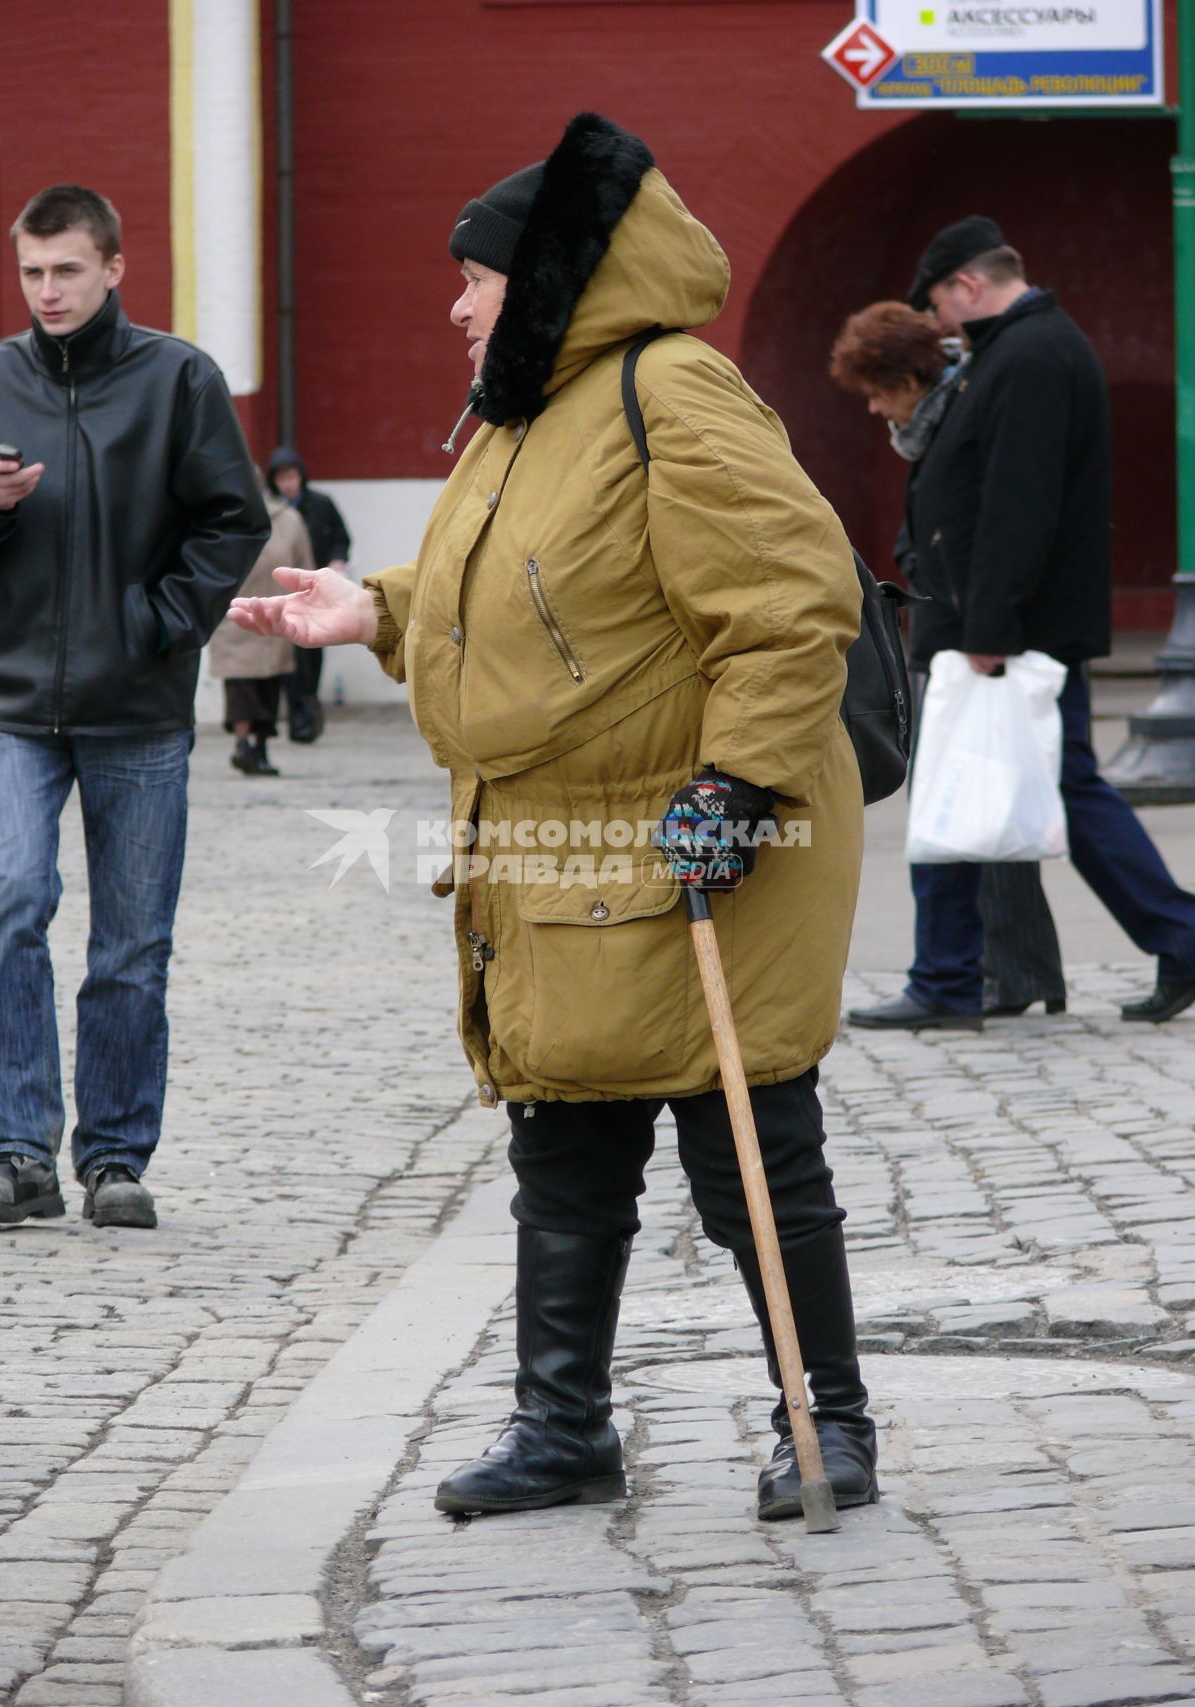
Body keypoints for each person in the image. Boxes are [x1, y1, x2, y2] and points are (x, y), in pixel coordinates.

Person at [230, 113, 878, 1523]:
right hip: (552, 850)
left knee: (751, 1147)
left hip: (704, 840)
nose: (455, 303)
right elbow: (522, 604)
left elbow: (787, 608)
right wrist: (376, 610)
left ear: (546, 281)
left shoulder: (673, 393)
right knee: (565, 1151)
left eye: (474, 276)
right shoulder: (521, 422)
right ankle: (562, 1427)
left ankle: (825, 1421)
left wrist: (735, 789)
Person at [0, 183, 269, 1229]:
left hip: (140, 705)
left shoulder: (178, 378)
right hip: (18, 699)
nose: (47, 291)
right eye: (32, 271)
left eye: (67, 269)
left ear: (114, 267)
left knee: (129, 942)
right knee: (11, 900)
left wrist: (164, 623)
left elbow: (230, 518)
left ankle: (113, 1159)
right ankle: (16, 1152)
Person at [846, 217, 1195, 1029]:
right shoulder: (1022, 351)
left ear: (967, 285)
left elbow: (1016, 506)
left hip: (1006, 633)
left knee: (966, 791)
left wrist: (987, 629)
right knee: (1056, 787)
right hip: (1007, 626)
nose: (939, 323)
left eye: (939, 302)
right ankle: (1167, 938)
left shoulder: (1030, 355)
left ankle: (947, 978)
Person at [828, 300, 1067, 1024]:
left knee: (951, 806)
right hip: (966, 629)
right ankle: (1015, 970)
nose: (873, 408)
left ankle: (949, 979)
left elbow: (987, 524)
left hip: (970, 637)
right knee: (985, 805)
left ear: (906, 374)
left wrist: (971, 621)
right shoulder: (949, 410)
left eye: (877, 390)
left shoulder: (962, 411)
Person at [208, 479, 314, 776]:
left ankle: (254, 747)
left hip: (271, 616)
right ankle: (249, 746)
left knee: (264, 685)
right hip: (241, 616)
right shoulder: (223, 518)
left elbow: (305, 566)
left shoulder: (287, 520)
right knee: (245, 685)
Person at [265, 447, 351, 744]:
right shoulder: (272, 511)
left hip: (317, 587)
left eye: (291, 476)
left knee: (312, 650)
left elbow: (341, 538)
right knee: (288, 653)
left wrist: (337, 563)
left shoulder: (321, 505)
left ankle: (308, 709)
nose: (287, 484)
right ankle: (294, 713)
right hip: (283, 591)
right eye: (281, 478)